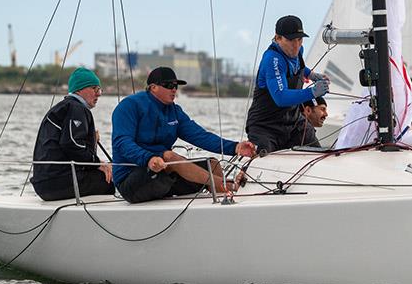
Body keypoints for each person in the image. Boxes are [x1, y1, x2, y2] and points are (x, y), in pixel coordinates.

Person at [112, 66, 257, 204]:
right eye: (169, 85)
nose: (174, 89)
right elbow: (122, 143)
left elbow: (200, 136)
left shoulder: (174, 111)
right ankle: (228, 186)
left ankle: (225, 201)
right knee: (169, 156)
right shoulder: (129, 106)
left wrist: (235, 147)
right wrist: (148, 159)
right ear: (153, 87)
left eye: (176, 86)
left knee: (212, 164)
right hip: (130, 180)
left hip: (162, 174)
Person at [245, 15, 330, 153]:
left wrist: (311, 75)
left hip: (294, 122)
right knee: (264, 163)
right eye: (290, 40)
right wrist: (312, 92)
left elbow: (297, 66)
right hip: (265, 127)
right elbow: (281, 97)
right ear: (278, 38)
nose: (296, 45)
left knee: (317, 155)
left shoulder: (298, 51)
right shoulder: (272, 60)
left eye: (299, 39)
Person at [31, 67, 114, 201]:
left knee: (105, 173)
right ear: (79, 90)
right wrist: (98, 163)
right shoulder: (77, 108)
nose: (99, 94)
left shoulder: (64, 107)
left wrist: (91, 140)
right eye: (94, 89)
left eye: (99, 89)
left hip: (44, 184)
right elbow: (71, 144)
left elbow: (71, 144)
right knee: (111, 178)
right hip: (58, 182)